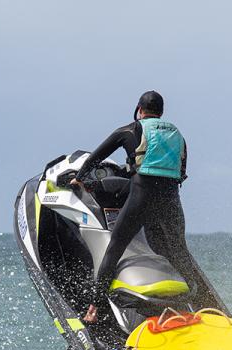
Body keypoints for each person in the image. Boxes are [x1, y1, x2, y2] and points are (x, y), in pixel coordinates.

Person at [70, 90, 191, 322]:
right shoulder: (177, 135)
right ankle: (201, 301)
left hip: (142, 195)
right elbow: (181, 171)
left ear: (139, 110)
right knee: (179, 251)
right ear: (162, 112)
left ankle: (93, 310)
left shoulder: (130, 130)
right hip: (171, 200)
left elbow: (97, 156)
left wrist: (80, 177)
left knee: (115, 247)